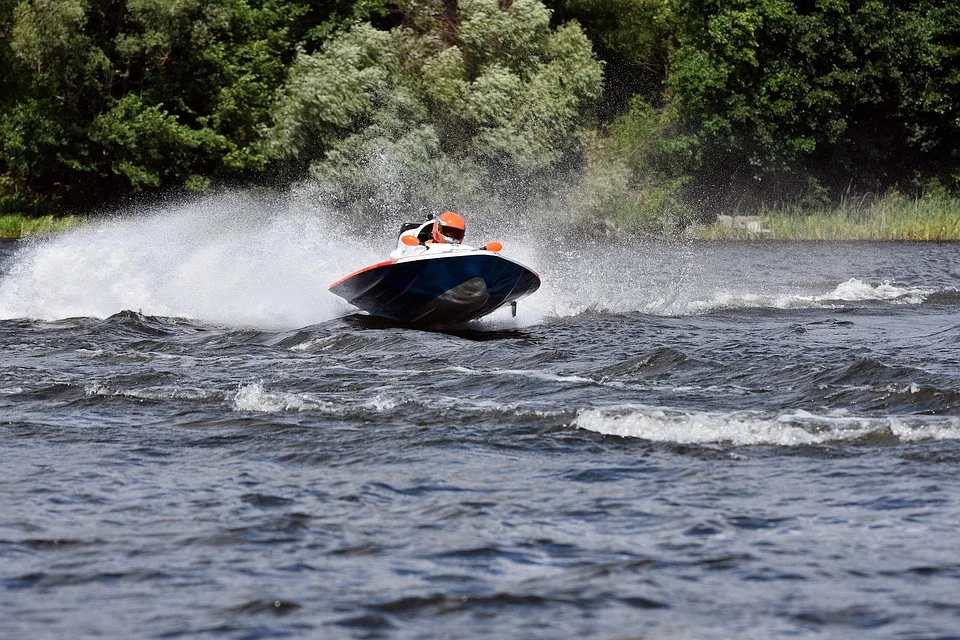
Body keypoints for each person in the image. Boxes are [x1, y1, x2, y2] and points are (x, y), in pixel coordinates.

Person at [391, 211, 466, 258]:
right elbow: (395, 256)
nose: (452, 235)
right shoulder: (420, 248)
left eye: (457, 233)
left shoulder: (462, 250)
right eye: (448, 231)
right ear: (438, 228)